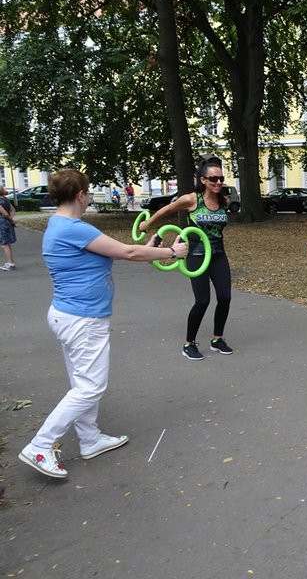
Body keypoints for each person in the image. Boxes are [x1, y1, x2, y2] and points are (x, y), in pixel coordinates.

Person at [18, 169, 189, 479]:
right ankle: (40, 446)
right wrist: (170, 252)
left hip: (71, 315)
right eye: (87, 193)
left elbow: (122, 251)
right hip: (82, 320)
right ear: (81, 195)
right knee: (89, 387)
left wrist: (151, 248)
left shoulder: (59, 225)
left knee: (81, 384)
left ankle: (90, 438)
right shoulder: (73, 228)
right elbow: (128, 251)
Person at [139, 156, 233, 361]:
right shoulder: (191, 199)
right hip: (196, 255)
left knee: (225, 297)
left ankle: (217, 339)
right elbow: (167, 209)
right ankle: (189, 343)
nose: (218, 182)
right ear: (203, 180)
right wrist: (148, 224)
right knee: (202, 301)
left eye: (221, 178)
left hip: (218, 254)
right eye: (213, 179)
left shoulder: (223, 201)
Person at [0, 186, 17, 271]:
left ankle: (10, 263)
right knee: (7, 243)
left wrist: (9, 219)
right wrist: (11, 219)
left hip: (2, 223)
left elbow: (4, 214)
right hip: (7, 222)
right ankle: (10, 262)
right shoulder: (5, 199)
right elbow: (13, 210)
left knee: (4, 244)